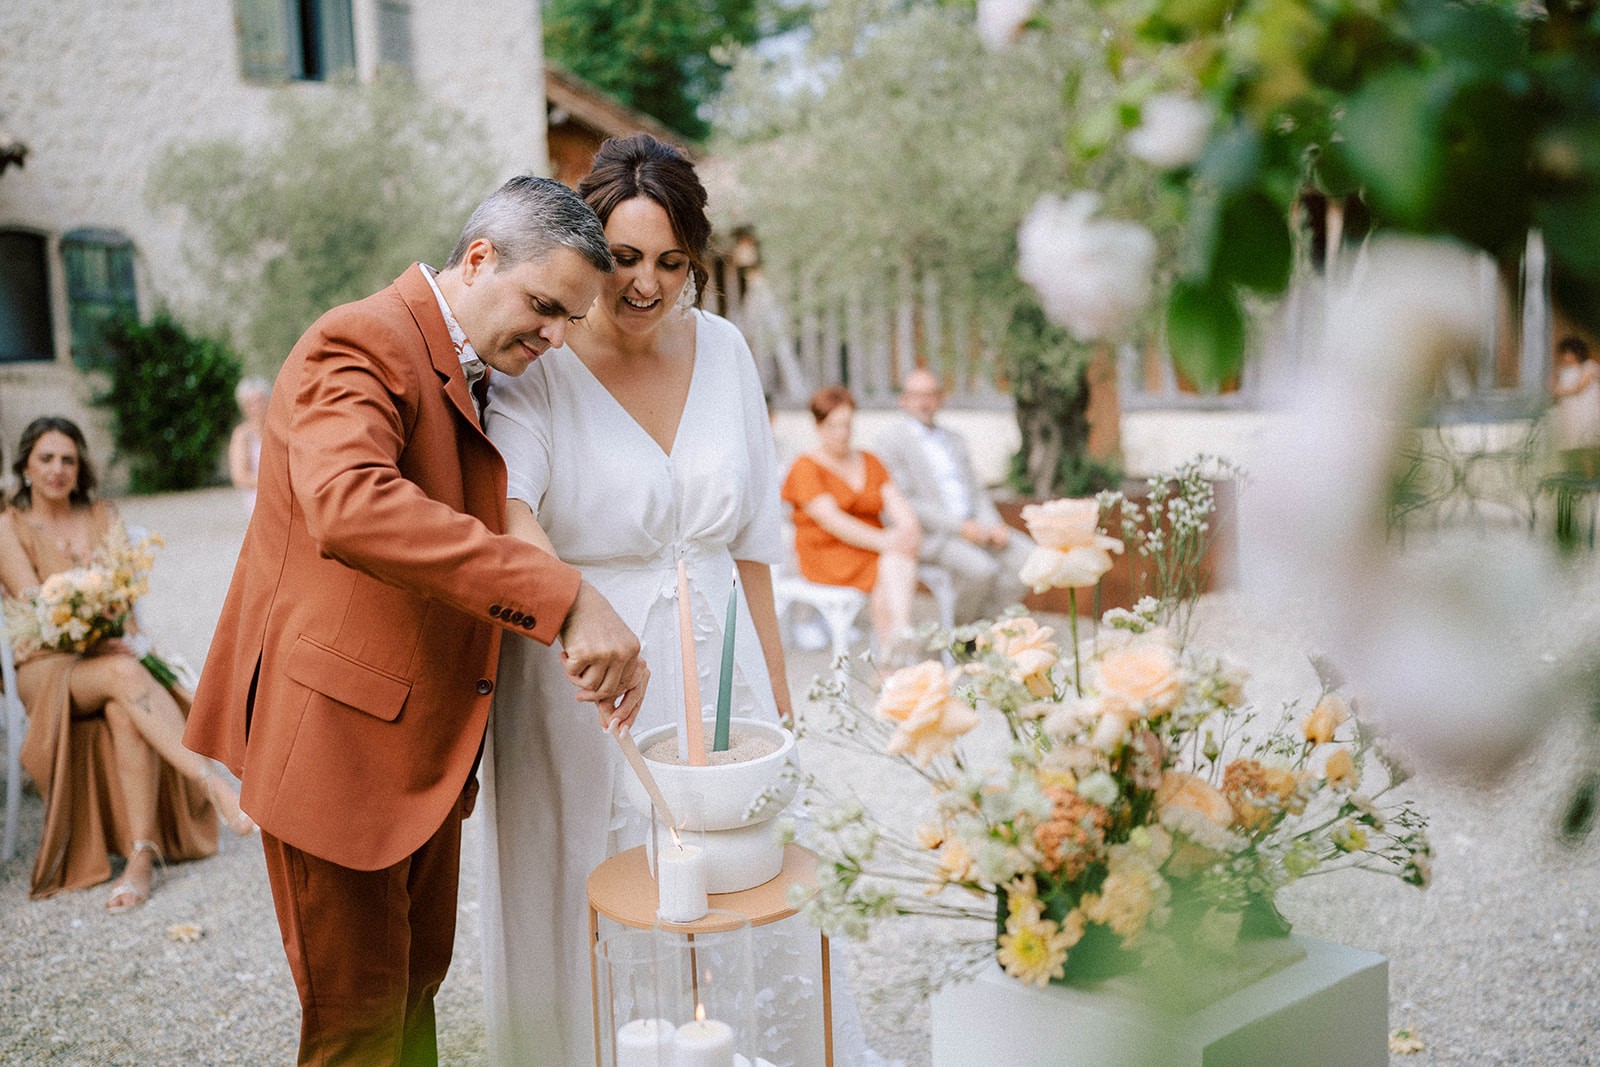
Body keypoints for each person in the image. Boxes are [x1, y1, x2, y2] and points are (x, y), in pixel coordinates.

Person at [183, 175, 648, 1066]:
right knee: (357, 1028)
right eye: (545, 307)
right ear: (479, 259)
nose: (553, 339)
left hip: (422, 750)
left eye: (568, 323)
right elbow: (351, 506)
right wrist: (565, 595)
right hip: (337, 744)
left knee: (410, 1004)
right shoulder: (361, 340)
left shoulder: (480, 367)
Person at [481, 133, 887, 1066]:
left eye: (670, 262)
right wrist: (573, 612)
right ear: (588, 250)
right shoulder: (541, 359)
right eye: (622, 259)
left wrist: (778, 709)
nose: (645, 286)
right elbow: (509, 511)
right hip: (586, 680)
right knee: (613, 896)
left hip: (722, 659)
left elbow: (752, 547)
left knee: (743, 884)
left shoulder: (729, 351)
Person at [0, 416, 255, 909]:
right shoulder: (8, 524)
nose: (58, 469)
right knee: (124, 673)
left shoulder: (102, 514)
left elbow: (123, 600)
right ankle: (215, 786)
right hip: (46, 664)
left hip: (110, 656)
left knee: (124, 706)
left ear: (81, 468)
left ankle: (141, 856)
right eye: (46, 459)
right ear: (26, 467)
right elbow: (37, 608)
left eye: (68, 460)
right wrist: (101, 627)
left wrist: (118, 629)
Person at [873, 367, 1034, 624]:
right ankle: (962, 634)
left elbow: (976, 490)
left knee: (1030, 559)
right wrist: (960, 528)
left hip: (976, 525)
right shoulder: (889, 442)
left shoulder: (955, 439)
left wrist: (993, 525)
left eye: (930, 394)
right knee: (983, 570)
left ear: (940, 398)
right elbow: (908, 502)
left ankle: (981, 626)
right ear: (903, 400)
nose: (923, 402)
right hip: (934, 535)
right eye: (916, 395)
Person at [782, 384, 922, 661]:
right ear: (818, 426)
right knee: (892, 560)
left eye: (847, 425)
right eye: (833, 426)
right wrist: (890, 541)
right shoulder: (805, 467)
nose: (842, 434)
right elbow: (833, 522)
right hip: (828, 553)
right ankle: (899, 644)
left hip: (873, 548)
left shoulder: (869, 461)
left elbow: (897, 504)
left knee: (892, 564)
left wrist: (910, 530)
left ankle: (893, 654)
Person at [1550, 335, 1600, 476]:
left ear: (1578, 353)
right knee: (1571, 446)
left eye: (1569, 353)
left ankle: (1591, 479)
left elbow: (1578, 388)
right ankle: (1575, 478)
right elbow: (1553, 384)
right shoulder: (1563, 370)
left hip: (1585, 411)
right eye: (1564, 353)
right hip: (1569, 412)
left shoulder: (1589, 366)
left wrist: (1558, 390)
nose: (1566, 357)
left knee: (1586, 446)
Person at [227, 376, 270, 512]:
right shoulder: (242, 435)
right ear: (244, 406)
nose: (257, 407)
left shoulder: (279, 429)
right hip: (258, 499)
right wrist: (272, 482)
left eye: (260, 400)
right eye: (251, 403)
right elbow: (239, 475)